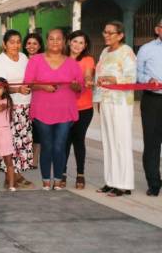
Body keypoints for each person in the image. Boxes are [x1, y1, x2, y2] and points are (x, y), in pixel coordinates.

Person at [25, 28, 83, 191]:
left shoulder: (72, 63)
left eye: (58, 39)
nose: (55, 42)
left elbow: (80, 87)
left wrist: (75, 86)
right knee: (47, 145)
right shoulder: (36, 60)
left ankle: (58, 179)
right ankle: (45, 180)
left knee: (59, 146)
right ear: (47, 41)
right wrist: (42, 86)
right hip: (42, 110)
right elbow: (28, 83)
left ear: (64, 41)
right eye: (51, 38)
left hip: (65, 111)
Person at [94, 21, 137, 197]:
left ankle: (124, 183)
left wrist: (115, 79)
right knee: (109, 141)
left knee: (121, 141)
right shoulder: (104, 52)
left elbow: (132, 78)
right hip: (105, 101)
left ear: (120, 35)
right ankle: (110, 181)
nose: (107, 35)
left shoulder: (126, 52)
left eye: (111, 33)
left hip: (120, 102)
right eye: (105, 32)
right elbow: (98, 76)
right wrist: (97, 98)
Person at [0, 29, 34, 188]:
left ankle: (17, 173)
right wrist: (17, 90)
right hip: (9, 107)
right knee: (10, 142)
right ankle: (10, 176)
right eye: (12, 42)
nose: (16, 45)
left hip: (25, 105)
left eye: (18, 41)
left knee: (22, 142)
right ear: (4, 44)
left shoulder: (24, 57)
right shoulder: (0, 61)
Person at [62, 30, 95, 190]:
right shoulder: (60, 59)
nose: (77, 45)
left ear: (85, 45)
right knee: (65, 141)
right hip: (64, 107)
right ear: (69, 42)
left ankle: (80, 174)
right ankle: (62, 173)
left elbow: (88, 74)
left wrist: (88, 80)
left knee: (78, 140)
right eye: (75, 41)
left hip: (84, 108)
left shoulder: (88, 59)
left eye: (81, 43)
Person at [137, 16, 162, 196]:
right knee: (152, 143)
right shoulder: (146, 49)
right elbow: (137, 73)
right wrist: (148, 80)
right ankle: (154, 183)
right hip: (152, 100)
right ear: (157, 29)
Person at [24, 32, 45, 166]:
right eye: (29, 43)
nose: (31, 46)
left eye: (35, 43)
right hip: (23, 99)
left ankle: (35, 159)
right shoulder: (20, 59)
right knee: (26, 130)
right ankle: (25, 156)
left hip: (39, 99)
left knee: (38, 131)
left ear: (39, 46)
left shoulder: (44, 60)